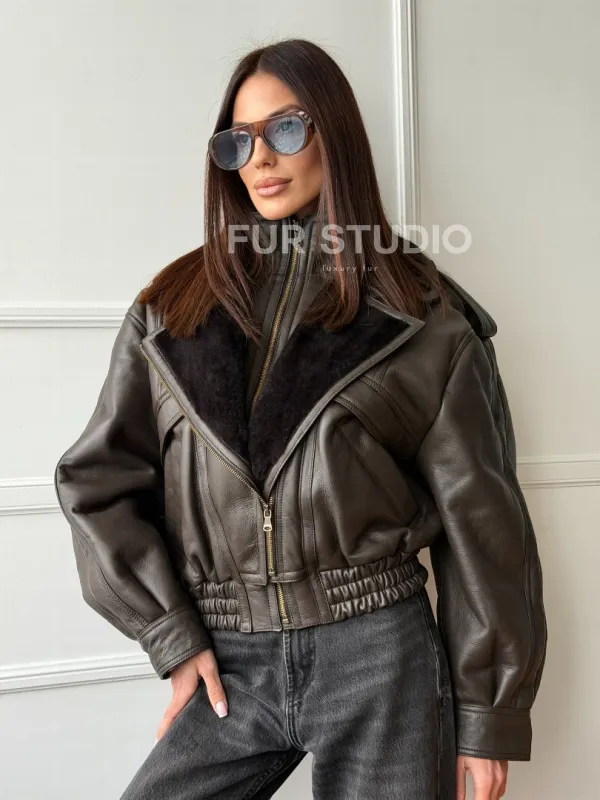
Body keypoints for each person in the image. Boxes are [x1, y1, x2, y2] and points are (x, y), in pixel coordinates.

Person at [54, 37, 548, 800]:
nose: (259, 158)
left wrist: (487, 715)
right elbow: (95, 481)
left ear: (334, 134)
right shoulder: (169, 312)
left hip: (379, 655)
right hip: (230, 658)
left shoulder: (420, 315)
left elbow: (482, 523)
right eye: (237, 141)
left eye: (285, 129)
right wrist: (169, 633)